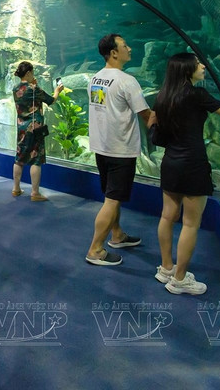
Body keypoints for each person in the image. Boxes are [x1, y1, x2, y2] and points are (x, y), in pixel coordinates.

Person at [151, 53, 220, 295]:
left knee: (167, 216)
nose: (202, 65)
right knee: (191, 223)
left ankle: (166, 268)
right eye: (198, 63)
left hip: (170, 162)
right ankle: (180, 279)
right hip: (193, 164)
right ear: (186, 69)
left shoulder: (163, 95)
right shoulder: (197, 95)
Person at [85, 34, 152, 267]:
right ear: (113, 52)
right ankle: (95, 250)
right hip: (121, 150)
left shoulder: (95, 78)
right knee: (112, 200)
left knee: (110, 196)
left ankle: (117, 235)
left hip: (102, 148)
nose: (129, 49)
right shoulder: (127, 81)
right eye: (125, 46)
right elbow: (147, 115)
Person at [12, 61, 64, 201]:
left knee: (19, 158)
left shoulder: (15, 88)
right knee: (36, 160)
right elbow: (51, 100)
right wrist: (57, 91)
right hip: (35, 128)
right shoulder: (34, 89)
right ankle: (35, 193)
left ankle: (16, 189)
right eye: (33, 72)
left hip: (22, 127)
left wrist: (33, 83)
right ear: (28, 73)